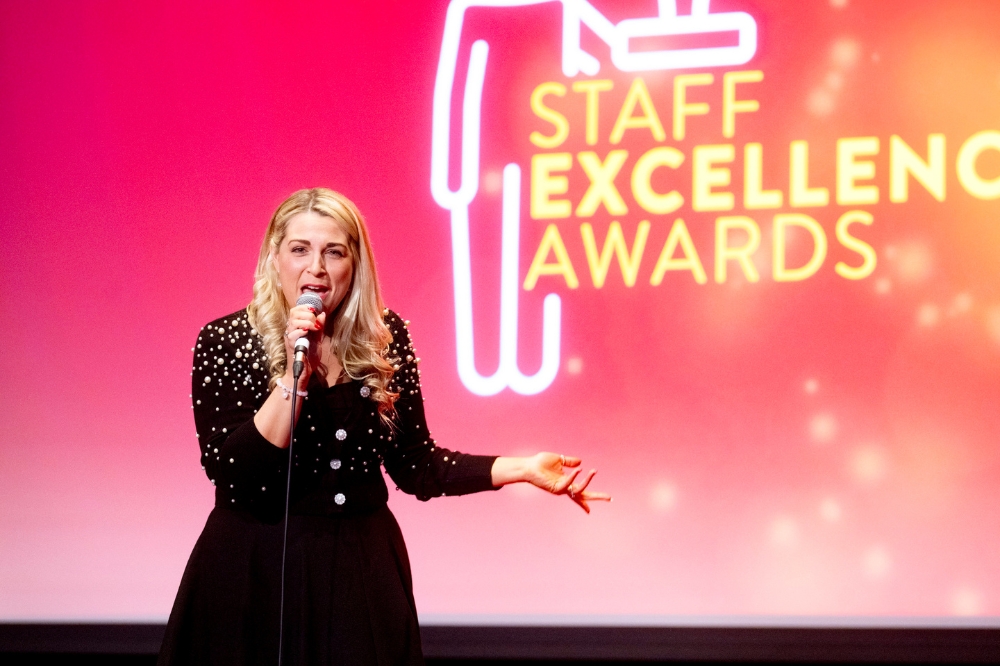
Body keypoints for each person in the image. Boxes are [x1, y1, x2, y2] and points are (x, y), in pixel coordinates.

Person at [158, 188, 609, 666]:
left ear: (355, 262)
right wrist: (296, 376)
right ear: (274, 256)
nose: (317, 267)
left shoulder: (385, 338)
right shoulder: (226, 339)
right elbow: (234, 472)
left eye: (334, 251)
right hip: (254, 568)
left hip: (360, 569)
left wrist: (522, 469)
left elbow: (417, 466)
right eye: (299, 249)